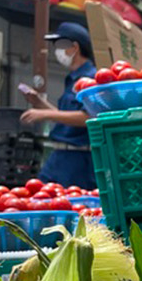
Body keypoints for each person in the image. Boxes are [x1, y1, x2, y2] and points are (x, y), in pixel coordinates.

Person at [20, 22, 98, 189]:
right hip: (59, 156)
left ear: (74, 47)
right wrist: (41, 104)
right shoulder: (72, 79)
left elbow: (89, 117)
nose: (56, 51)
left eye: (59, 45)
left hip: (78, 160)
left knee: (73, 209)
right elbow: (66, 117)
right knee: (40, 199)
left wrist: (45, 114)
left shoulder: (91, 79)